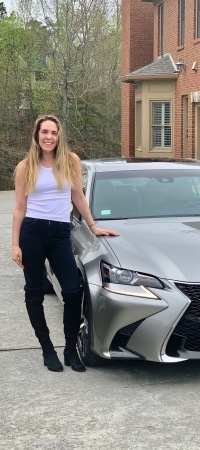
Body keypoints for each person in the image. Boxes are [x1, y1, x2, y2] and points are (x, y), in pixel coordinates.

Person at [12, 114, 119, 373]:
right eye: (44, 132)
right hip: (33, 232)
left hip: (60, 233)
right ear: (37, 136)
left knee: (72, 290)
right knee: (35, 292)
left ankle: (70, 349)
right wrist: (15, 244)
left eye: (53, 132)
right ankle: (47, 348)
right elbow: (19, 209)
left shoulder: (70, 161)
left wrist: (94, 226)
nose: (49, 137)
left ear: (59, 136)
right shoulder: (26, 167)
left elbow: (78, 197)